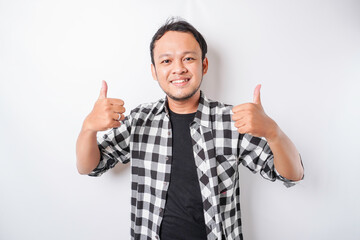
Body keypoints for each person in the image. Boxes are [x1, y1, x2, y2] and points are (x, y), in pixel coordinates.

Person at [76, 18, 304, 240]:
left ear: (204, 65)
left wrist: (273, 132)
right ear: (154, 71)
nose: (178, 69)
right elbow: (90, 166)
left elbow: (292, 174)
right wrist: (89, 128)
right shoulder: (139, 120)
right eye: (166, 61)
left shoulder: (233, 121)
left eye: (188, 58)